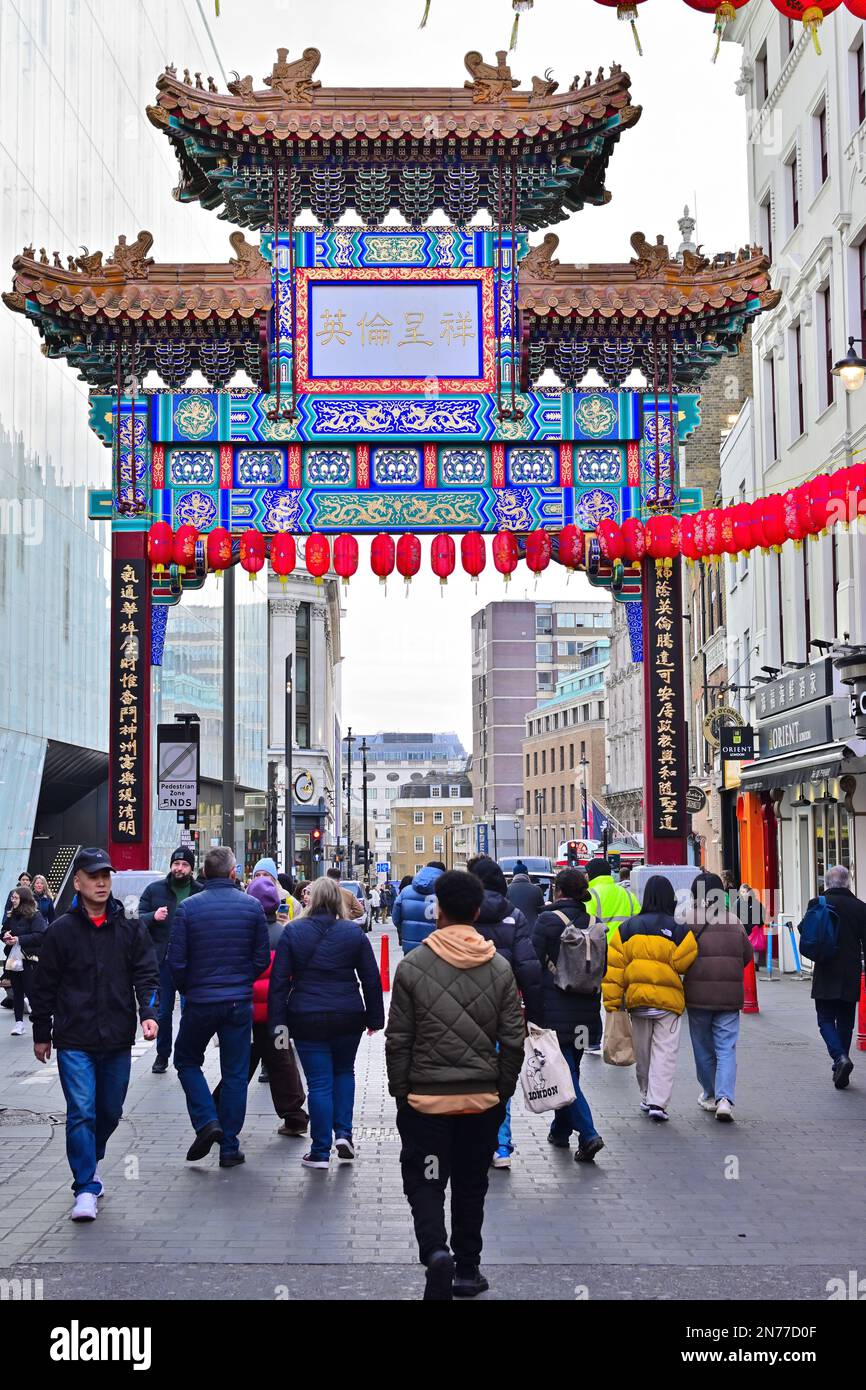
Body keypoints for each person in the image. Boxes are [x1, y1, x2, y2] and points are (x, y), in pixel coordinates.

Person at [386, 870, 524, 1301]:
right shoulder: (499, 967)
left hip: (426, 1101)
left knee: (425, 1179)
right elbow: (514, 1038)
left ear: (438, 911)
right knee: (470, 1182)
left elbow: (399, 1038)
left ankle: (435, 1251)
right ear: (478, 911)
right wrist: (501, 1089)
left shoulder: (413, 966)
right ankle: (467, 1269)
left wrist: (402, 1090)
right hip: (480, 1100)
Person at [29, 848, 159, 1222]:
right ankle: (85, 1186)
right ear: (78, 882)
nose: (102, 882)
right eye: (94, 876)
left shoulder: (130, 927)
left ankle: (91, 1155)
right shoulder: (61, 931)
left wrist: (148, 1014)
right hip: (74, 1039)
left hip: (118, 1037)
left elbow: (147, 975)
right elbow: (44, 987)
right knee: (81, 1112)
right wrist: (42, 1033)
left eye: (106, 875)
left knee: (109, 1112)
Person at [269, 875, 384, 1169]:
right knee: (344, 1072)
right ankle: (343, 1134)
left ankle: (320, 1151)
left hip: (307, 1015)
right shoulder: (353, 933)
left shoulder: (293, 932)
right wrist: (375, 1017)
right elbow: (371, 978)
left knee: (319, 1083)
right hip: (348, 1013)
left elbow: (279, 983)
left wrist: (278, 1025)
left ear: (312, 899)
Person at [168, 846, 270, 1168]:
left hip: (201, 1000)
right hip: (238, 1001)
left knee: (185, 1059)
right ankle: (229, 1146)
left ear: (204, 873)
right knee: (236, 1073)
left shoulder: (187, 908)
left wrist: (190, 988)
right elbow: (260, 958)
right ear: (232, 873)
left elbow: (177, 961)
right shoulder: (252, 907)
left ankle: (206, 1120)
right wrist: (242, 982)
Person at [212, 876, 309, 1137]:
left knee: (240, 1063)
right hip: (276, 1015)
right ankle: (294, 1115)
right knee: (282, 1062)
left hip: (245, 1012)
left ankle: (217, 1109)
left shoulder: (243, 934)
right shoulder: (286, 933)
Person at [467, 855, 542, 1169]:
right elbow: (527, 965)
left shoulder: (463, 913)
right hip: (504, 1004)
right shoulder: (514, 915)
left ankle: (474, 1142)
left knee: (471, 1075)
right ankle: (501, 1146)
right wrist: (537, 1013)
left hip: (466, 1005)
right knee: (502, 1075)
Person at [603, 874, 698, 1122]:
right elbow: (684, 962)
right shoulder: (679, 929)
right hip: (669, 1002)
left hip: (638, 1001)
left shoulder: (626, 929)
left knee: (642, 1052)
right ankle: (658, 1101)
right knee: (665, 1053)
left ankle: (646, 1094)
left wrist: (612, 1003)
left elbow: (614, 969)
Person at [533, 868, 605, 1161]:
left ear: (558, 891)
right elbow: (604, 968)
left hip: (555, 1007)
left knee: (565, 1075)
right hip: (587, 1009)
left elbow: (532, 961)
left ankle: (588, 1134)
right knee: (570, 1069)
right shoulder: (595, 923)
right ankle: (561, 1130)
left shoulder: (547, 920)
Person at [680, 871, 753, 1122]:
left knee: (702, 1047)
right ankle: (725, 1099)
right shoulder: (734, 921)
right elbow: (747, 957)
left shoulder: (686, 921)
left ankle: (710, 1094)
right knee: (726, 1048)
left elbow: (678, 959)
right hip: (730, 996)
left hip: (697, 996)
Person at [137, 847, 205, 1074]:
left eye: (185, 865)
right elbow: (138, 921)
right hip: (162, 962)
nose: (179, 868)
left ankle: (187, 1053)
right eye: (176, 864)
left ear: (191, 868)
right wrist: (152, 916)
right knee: (163, 1012)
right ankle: (162, 1054)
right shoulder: (155, 890)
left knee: (190, 1011)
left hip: (191, 962)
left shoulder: (200, 892)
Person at [804, 864, 866, 1089]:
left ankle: (839, 1058)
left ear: (827, 884)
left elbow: (806, 932)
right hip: (850, 971)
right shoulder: (861, 908)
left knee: (825, 1019)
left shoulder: (817, 903)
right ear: (848, 883)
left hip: (825, 968)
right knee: (846, 1022)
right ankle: (841, 1065)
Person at [3, 886, 48, 1034]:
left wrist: (18, 939)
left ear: (23, 899)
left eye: (15, 898)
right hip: (14, 959)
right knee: (17, 991)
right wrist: (5, 936)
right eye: (12, 897)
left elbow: (40, 935)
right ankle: (18, 1023)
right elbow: (4, 929)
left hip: (29, 958)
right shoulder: (11, 915)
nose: (12, 900)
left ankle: (41, 1020)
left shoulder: (35, 915)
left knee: (31, 991)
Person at [392, 861, 446, 955]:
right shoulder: (446, 892)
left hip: (410, 946)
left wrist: (405, 929)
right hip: (437, 946)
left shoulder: (406, 891)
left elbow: (396, 918)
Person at [585, 858, 640, 941]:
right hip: (624, 946)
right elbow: (638, 920)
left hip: (602, 947)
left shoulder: (590, 895)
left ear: (591, 874)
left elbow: (587, 924)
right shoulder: (628, 894)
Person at [506, 866, 546, 932]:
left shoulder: (507, 889)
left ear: (514, 875)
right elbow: (541, 910)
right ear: (527, 874)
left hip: (513, 930)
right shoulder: (536, 890)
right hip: (532, 930)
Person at [394, 875, 413, 948]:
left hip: (404, 927)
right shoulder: (419, 894)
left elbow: (396, 917)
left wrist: (400, 926)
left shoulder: (401, 895)